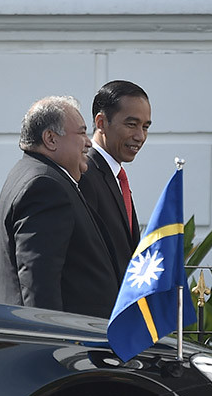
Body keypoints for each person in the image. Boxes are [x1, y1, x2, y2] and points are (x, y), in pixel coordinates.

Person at [0, 95, 122, 318]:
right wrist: (50, 342)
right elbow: (38, 283)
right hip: (65, 344)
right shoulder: (44, 187)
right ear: (51, 139)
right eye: (81, 133)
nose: (89, 142)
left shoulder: (34, 174)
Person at [79, 80, 152, 276]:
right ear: (101, 123)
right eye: (131, 124)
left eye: (145, 127)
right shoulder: (84, 173)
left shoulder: (115, 176)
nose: (140, 136)